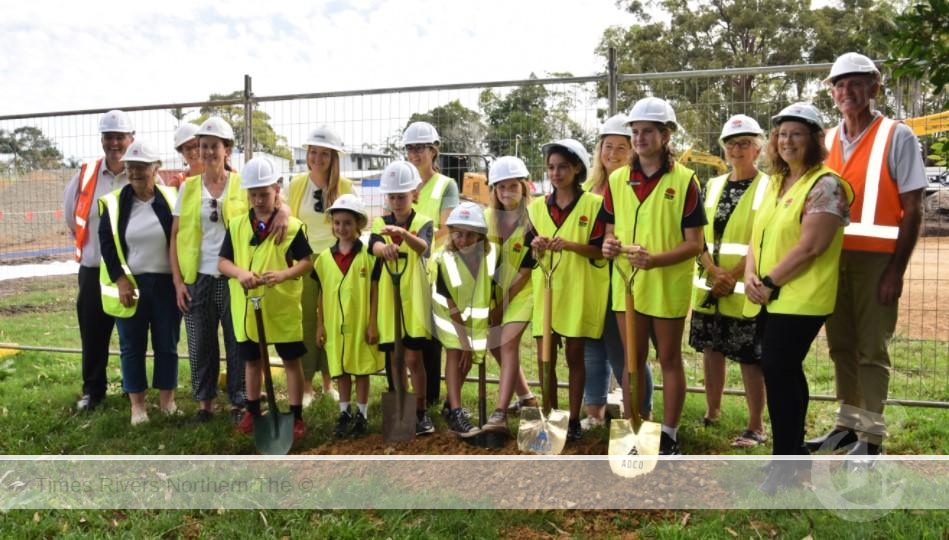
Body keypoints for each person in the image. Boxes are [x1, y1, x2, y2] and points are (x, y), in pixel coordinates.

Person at [806, 52, 927, 458]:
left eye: (856, 83)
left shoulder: (898, 136)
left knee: (871, 350)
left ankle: (870, 440)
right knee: (841, 346)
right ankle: (846, 427)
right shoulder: (823, 140)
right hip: (830, 262)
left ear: (874, 88)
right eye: (839, 85)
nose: (847, 91)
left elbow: (914, 208)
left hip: (877, 264)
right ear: (832, 93)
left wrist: (896, 269)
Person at [744, 103, 853, 494]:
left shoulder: (827, 185)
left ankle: (785, 462)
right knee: (783, 374)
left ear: (813, 140)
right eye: (781, 134)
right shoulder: (776, 182)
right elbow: (759, 235)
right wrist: (751, 274)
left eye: (796, 134)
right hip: (769, 295)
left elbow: (812, 246)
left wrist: (770, 280)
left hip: (800, 298)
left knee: (779, 370)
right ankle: (791, 457)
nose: (786, 141)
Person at [601, 97, 706, 456]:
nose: (640, 137)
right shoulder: (617, 180)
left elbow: (695, 244)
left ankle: (671, 434)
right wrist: (610, 246)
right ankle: (635, 431)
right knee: (632, 361)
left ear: (665, 136)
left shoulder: (686, 181)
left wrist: (656, 260)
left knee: (669, 359)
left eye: (648, 131)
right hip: (626, 285)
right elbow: (610, 232)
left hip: (666, 285)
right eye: (635, 131)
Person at [690, 114, 770, 448]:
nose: (737, 150)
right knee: (711, 350)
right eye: (732, 144)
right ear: (724, 150)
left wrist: (731, 275)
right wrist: (712, 270)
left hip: (745, 287)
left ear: (758, 149)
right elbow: (697, 234)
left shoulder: (769, 187)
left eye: (745, 144)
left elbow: (762, 237)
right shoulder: (712, 185)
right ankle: (713, 412)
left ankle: (755, 426)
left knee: (750, 358)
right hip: (711, 286)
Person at [219, 157, 312, 444]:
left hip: (281, 305)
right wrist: (240, 273)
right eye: (253, 194)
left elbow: (307, 262)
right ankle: (252, 411)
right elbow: (222, 262)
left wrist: (285, 274)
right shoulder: (236, 226)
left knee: (291, 361)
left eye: (264, 193)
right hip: (248, 307)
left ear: (276, 190)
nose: (259, 200)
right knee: (252, 362)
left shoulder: (292, 227)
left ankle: (296, 416)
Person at [526, 139, 607, 442]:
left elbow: (600, 252)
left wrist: (570, 245)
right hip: (546, 292)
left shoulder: (594, 206)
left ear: (577, 168)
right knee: (544, 359)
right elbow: (526, 254)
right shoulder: (535, 208)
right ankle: (549, 416)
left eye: (562, 167)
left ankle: (573, 419)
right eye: (550, 167)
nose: (556, 173)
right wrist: (534, 245)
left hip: (577, 291)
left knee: (575, 357)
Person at [170, 117, 249, 425]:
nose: (208, 152)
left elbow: (274, 204)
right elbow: (175, 235)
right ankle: (205, 405)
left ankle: (239, 401)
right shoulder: (189, 188)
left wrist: (282, 211)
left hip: (232, 276)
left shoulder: (242, 185)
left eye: (214, 146)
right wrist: (178, 282)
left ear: (226, 149)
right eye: (203, 146)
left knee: (237, 340)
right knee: (200, 341)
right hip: (198, 277)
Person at [97, 140, 180, 425]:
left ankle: (167, 401)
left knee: (167, 343)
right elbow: (107, 245)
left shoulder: (171, 198)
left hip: (167, 284)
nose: (134, 172)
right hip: (131, 284)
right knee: (132, 345)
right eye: (130, 167)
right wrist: (120, 280)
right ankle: (138, 407)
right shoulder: (114, 204)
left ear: (155, 168)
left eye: (141, 167)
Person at [582, 113, 654, 430]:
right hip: (587, 281)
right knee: (591, 349)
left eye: (621, 148)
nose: (612, 153)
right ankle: (594, 412)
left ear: (633, 151)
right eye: (607, 146)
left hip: (621, 279)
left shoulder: (634, 185)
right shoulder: (587, 187)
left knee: (625, 351)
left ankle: (641, 413)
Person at [64, 110, 135, 411]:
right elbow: (72, 216)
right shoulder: (85, 175)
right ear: (102, 140)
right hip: (95, 270)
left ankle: (135, 391)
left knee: (132, 334)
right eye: (109, 137)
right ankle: (93, 391)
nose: (114, 143)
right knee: (93, 333)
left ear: (131, 139)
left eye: (120, 137)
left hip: (132, 271)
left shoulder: (141, 171)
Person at [369, 160, 436, 436]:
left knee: (413, 359)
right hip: (389, 302)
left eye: (402, 195)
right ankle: (402, 412)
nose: (397, 201)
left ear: (414, 194)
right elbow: (373, 245)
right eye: (392, 196)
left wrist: (403, 234)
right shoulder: (380, 222)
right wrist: (383, 247)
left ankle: (420, 412)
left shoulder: (423, 222)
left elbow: (424, 248)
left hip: (415, 304)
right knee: (396, 360)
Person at [289, 125, 354, 406]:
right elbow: (290, 222)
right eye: (313, 152)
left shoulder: (346, 187)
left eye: (324, 154)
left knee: (331, 319)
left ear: (333, 157)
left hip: (334, 260)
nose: (317, 158)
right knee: (305, 321)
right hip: (304, 259)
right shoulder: (296, 185)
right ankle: (306, 387)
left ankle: (330, 381)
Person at [314, 194, 381, 438]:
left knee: (361, 369)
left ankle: (362, 414)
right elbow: (320, 293)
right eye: (337, 222)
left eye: (348, 223)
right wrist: (320, 325)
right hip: (334, 327)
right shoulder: (323, 259)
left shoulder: (368, 257)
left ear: (358, 225)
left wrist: (373, 322)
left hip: (360, 323)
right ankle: (344, 412)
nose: (342, 228)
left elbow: (374, 291)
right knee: (340, 369)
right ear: (332, 224)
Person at [403, 121, 459, 409]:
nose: (414, 154)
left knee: (430, 332)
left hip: (433, 266)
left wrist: (414, 242)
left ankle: (431, 394)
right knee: (406, 330)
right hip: (404, 267)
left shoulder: (446, 185)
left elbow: (447, 228)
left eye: (420, 148)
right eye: (410, 148)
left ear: (433, 150)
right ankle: (406, 393)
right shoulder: (401, 180)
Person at [482, 156, 537, 434]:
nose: (507, 193)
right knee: (493, 342)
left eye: (512, 186)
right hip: (496, 291)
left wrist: (502, 306)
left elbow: (526, 271)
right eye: (501, 187)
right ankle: (527, 398)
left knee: (507, 343)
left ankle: (500, 414)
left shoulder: (533, 221)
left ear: (524, 187)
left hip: (523, 289)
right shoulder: (487, 219)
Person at [431, 202, 495, 437]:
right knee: (457, 352)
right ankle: (456, 412)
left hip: (471, 314)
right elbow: (452, 307)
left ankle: (450, 403)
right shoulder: (445, 261)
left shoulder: (488, 258)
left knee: (468, 359)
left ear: (481, 238)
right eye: (458, 233)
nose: (463, 240)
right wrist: (466, 344)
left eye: (470, 235)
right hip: (447, 315)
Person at [166, 123, 202, 188]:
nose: (193, 152)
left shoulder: (219, 178)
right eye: (188, 148)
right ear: (182, 152)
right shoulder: (176, 183)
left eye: (196, 146)